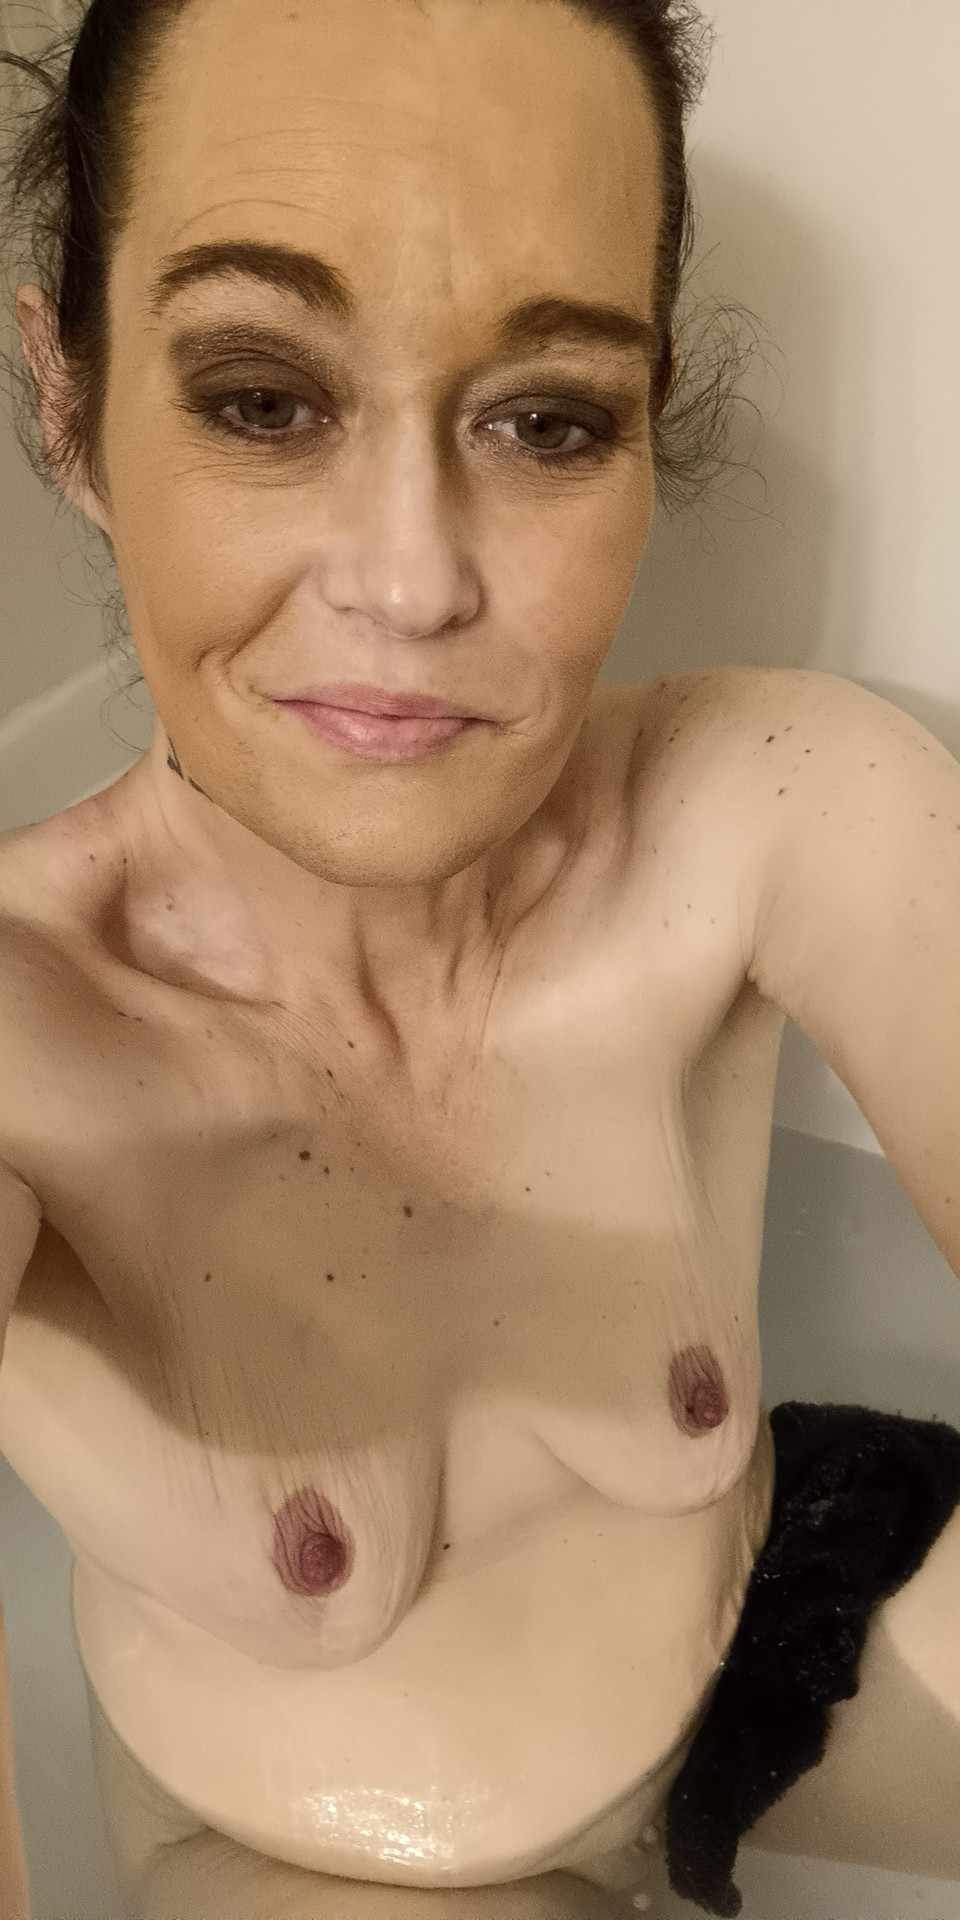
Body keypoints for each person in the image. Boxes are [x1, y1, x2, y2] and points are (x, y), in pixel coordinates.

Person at [1, 2, 959, 1917]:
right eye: (262, 398)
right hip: (284, 1852)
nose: (412, 581)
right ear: (67, 399)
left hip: (759, 1631)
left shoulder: (782, 807)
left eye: (546, 422)